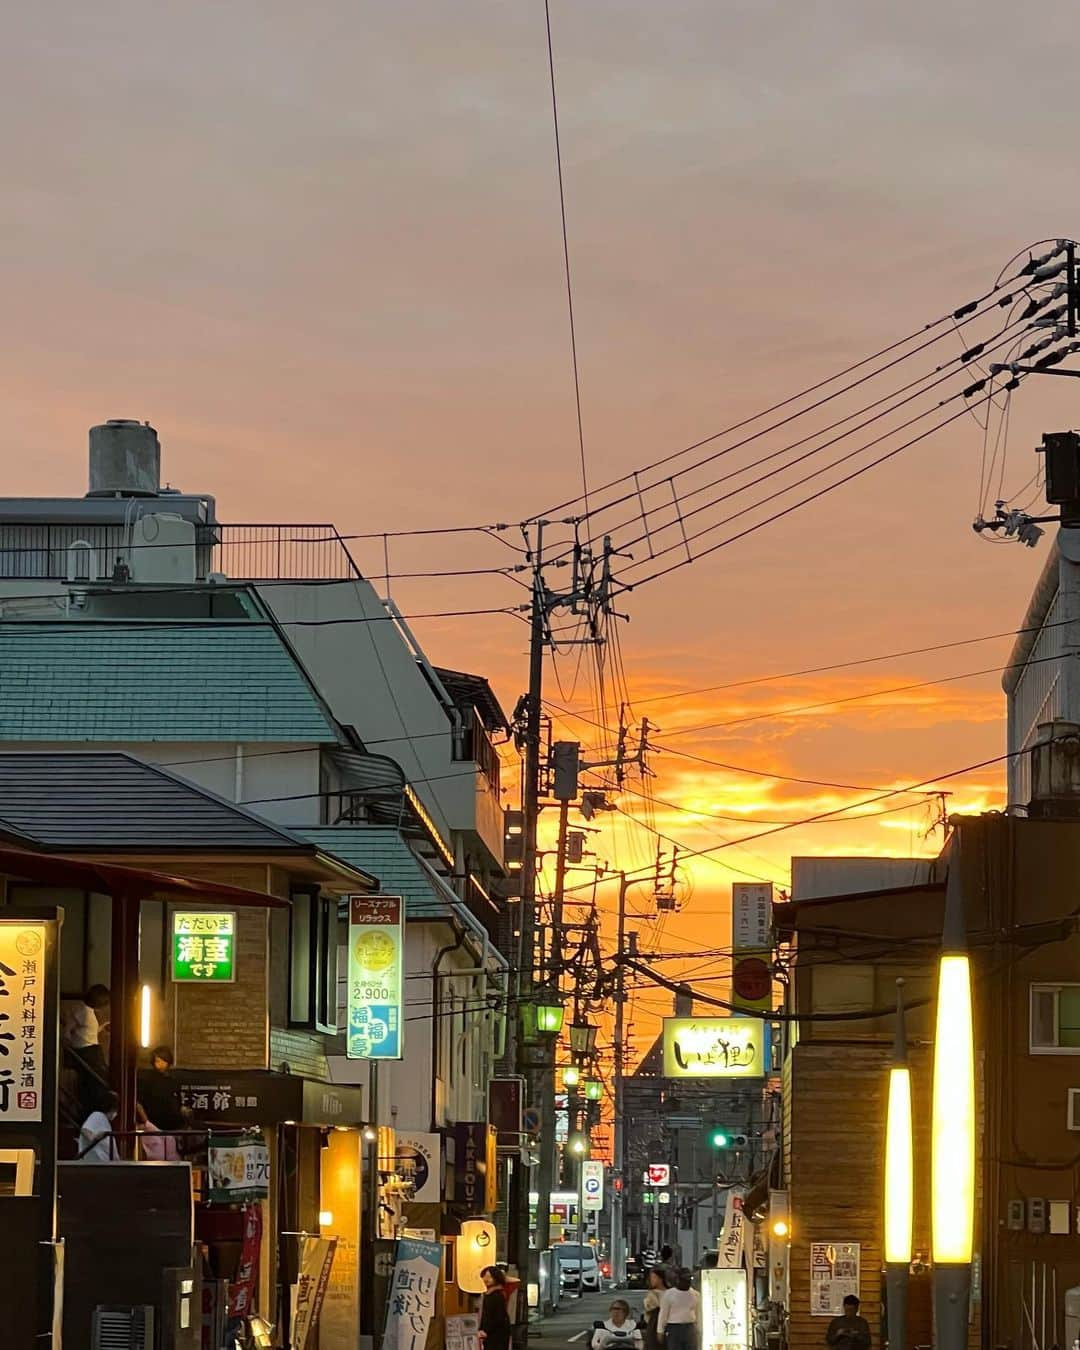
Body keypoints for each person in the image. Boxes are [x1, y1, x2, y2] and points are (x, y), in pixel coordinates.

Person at [63, 985, 111, 1114]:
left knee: (96, 1081)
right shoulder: (81, 1010)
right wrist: (67, 1043)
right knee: (96, 1082)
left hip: (90, 1049)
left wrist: (102, 1028)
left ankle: (96, 1109)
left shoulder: (88, 1010)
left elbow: (87, 1032)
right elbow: (68, 1029)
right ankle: (95, 1110)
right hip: (86, 1051)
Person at [138, 1044, 186, 1132]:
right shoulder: (148, 1079)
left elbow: (178, 1101)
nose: (160, 1064)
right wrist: (147, 1122)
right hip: (154, 1124)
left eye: (164, 1061)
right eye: (157, 1061)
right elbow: (138, 1103)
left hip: (173, 1125)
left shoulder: (173, 1080)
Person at [657, 1269, 699, 1350]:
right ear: (677, 1279)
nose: (687, 1282)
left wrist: (698, 1328)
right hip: (673, 1328)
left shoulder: (696, 1294)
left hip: (690, 1327)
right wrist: (660, 1331)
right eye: (684, 1279)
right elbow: (663, 1314)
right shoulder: (669, 1294)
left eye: (689, 1279)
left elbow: (698, 1313)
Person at [479, 1265, 512, 1350]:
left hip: (497, 1334)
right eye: (484, 1276)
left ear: (496, 1278)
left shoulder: (497, 1295)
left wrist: (485, 1330)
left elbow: (498, 1317)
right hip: (491, 1333)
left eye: (489, 1277)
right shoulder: (489, 1294)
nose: (486, 1279)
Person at [79, 1092, 119, 1162]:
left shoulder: (105, 1121)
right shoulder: (97, 1115)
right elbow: (85, 1130)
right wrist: (94, 1138)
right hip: (96, 1164)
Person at [643, 1267, 670, 1350]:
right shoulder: (652, 1293)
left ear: (660, 1279)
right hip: (654, 1325)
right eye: (651, 1278)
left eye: (654, 1277)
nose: (652, 1280)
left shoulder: (670, 1292)